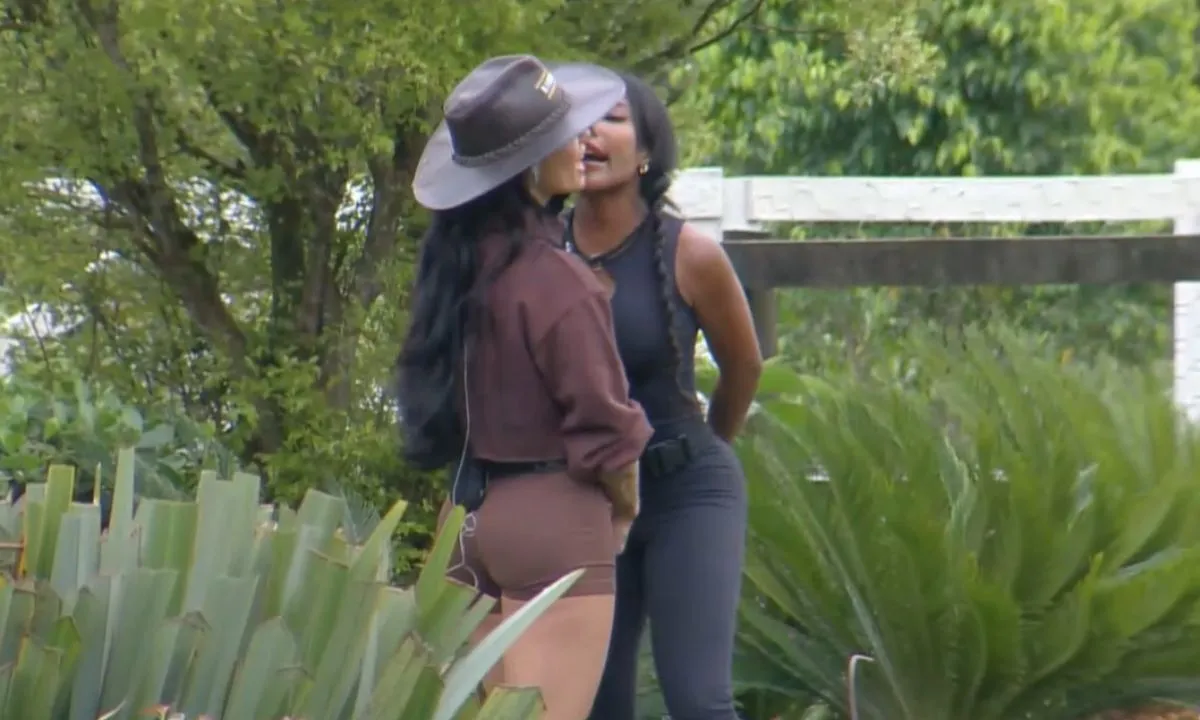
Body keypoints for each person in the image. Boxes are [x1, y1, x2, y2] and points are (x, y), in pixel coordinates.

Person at [396, 55, 654, 720]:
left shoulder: (453, 274)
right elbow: (606, 431)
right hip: (552, 524)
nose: (583, 141)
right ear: (528, 168)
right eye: (565, 134)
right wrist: (621, 513)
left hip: (465, 522)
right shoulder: (558, 282)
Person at [560, 66, 764, 720]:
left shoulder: (691, 254)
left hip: (686, 493)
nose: (590, 132)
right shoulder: (538, 256)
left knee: (698, 700)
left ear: (646, 152)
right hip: (586, 499)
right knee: (597, 704)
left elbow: (744, 367)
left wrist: (703, 446)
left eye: (612, 118)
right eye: (576, 120)